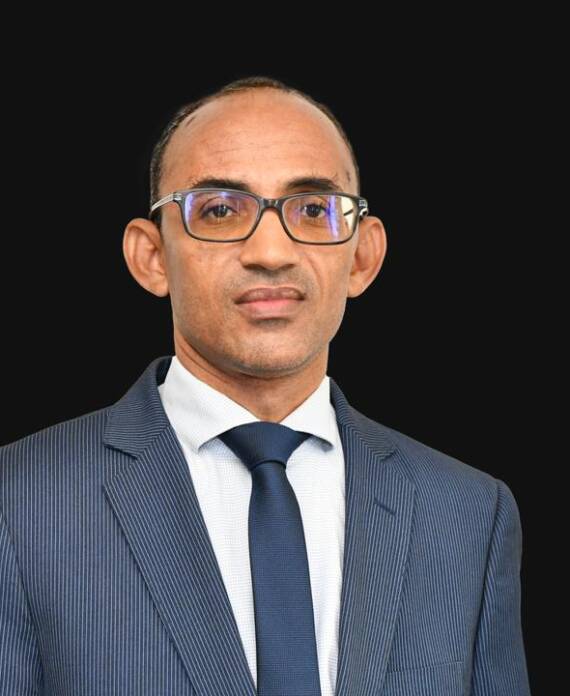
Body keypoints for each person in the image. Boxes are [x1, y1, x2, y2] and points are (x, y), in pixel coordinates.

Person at [0, 75, 530, 696]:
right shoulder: (20, 504)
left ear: (362, 256)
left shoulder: (468, 513)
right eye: (220, 210)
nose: (272, 252)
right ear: (152, 256)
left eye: (313, 209)